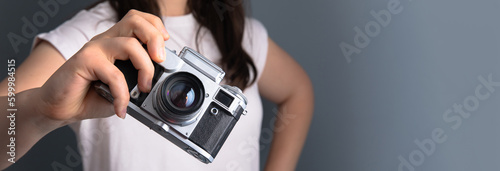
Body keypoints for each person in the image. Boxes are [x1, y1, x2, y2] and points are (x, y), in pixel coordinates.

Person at [0, 0, 314, 170]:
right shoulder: (96, 35)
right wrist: (42, 111)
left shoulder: (242, 35)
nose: (181, 97)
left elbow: (298, 93)